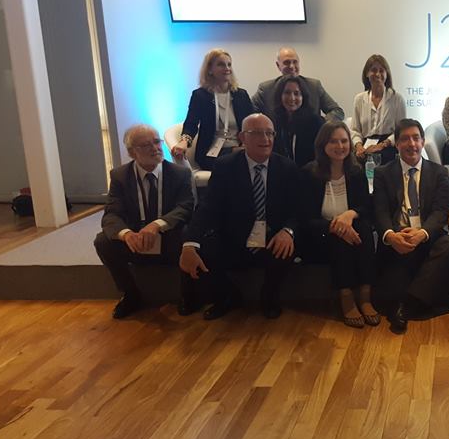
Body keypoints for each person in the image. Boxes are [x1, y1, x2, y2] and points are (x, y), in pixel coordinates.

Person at [179, 113, 302, 320]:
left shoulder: (287, 167)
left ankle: (270, 296)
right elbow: (208, 206)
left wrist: (288, 231)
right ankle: (227, 296)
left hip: (272, 236)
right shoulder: (225, 166)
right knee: (203, 247)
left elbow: (298, 209)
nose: (266, 139)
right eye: (258, 133)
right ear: (242, 138)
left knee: (287, 247)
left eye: (269, 133)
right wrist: (190, 243)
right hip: (235, 235)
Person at [94, 124, 195, 318]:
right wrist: (126, 235)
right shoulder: (120, 176)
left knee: (189, 236)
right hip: (136, 239)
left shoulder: (179, 173)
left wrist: (157, 225)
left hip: (168, 236)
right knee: (103, 241)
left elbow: (185, 207)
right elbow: (111, 214)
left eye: (157, 142)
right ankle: (130, 294)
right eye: (146, 145)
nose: (155, 148)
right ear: (132, 152)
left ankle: (188, 294)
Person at [372, 119, 449, 334]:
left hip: (426, 232)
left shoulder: (439, 172)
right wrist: (390, 236)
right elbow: (380, 211)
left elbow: (440, 212)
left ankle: (406, 304)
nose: (411, 144)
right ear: (397, 144)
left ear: (423, 141)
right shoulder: (383, 173)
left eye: (416, 138)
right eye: (405, 139)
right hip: (398, 233)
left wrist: (422, 233)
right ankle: (414, 300)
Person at [299, 121, 380, 328]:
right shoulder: (309, 173)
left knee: (363, 228)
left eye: (344, 141)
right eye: (333, 141)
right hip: (319, 238)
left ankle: (365, 297)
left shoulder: (356, 171)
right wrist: (335, 226)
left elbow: (367, 207)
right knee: (339, 237)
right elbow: (305, 219)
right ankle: (346, 297)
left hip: (352, 234)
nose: (340, 146)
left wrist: (350, 215)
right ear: (322, 144)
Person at [173, 48, 255, 171]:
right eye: (221, 64)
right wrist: (184, 141)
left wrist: (246, 143)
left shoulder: (241, 95)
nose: (227, 68)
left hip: (241, 148)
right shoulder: (200, 96)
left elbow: (252, 123)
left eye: (229, 64)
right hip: (211, 153)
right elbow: (191, 123)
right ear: (210, 70)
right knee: (240, 160)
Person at [251, 47, 344, 122]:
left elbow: (337, 112)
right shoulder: (266, 89)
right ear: (278, 65)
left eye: (295, 62)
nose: (292, 66)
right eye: (287, 62)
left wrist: (320, 126)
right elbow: (249, 113)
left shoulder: (314, 86)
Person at [350, 54, 407, 164]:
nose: (377, 74)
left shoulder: (397, 99)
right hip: (365, 147)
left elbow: (401, 130)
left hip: (388, 146)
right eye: (373, 70)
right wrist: (359, 146)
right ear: (367, 73)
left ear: (387, 74)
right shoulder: (359, 99)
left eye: (381, 71)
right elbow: (355, 130)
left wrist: (382, 145)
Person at [271, 75, 324, 167]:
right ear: (280, 96)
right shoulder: (274, 122)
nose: (292, 98)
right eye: (287, 93)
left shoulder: (315, 122)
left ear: (303, 97)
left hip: (309, 172)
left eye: (296, 93)